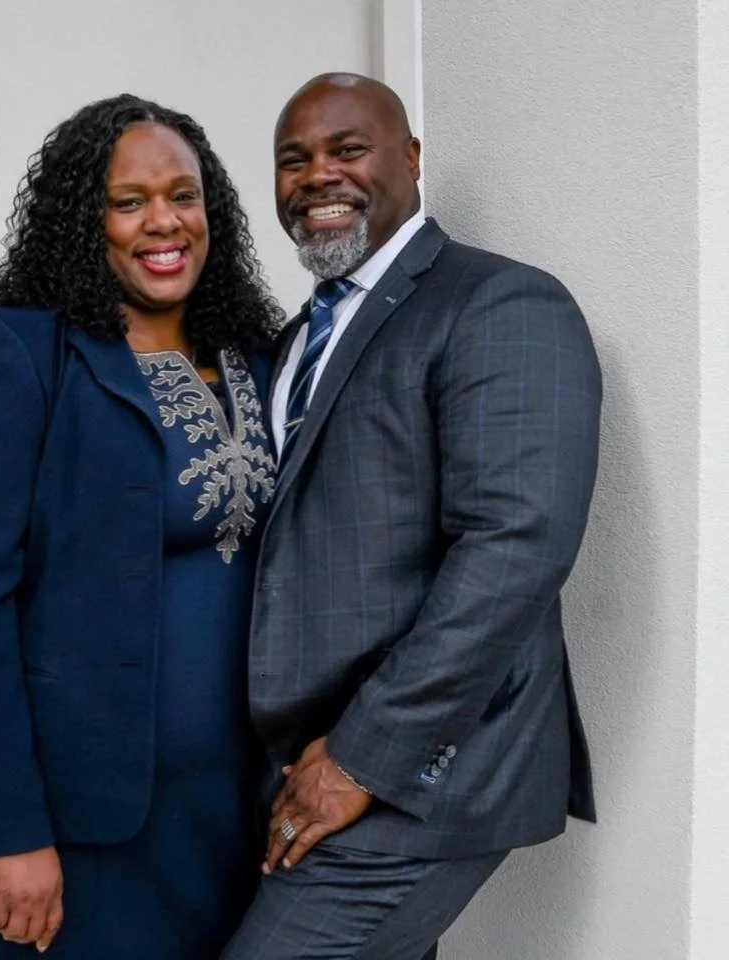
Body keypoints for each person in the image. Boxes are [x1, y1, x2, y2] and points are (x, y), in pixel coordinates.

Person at [222, 73, 602, 960]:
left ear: (412, 160)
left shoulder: (500, 303)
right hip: (307, 760)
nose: (319, 175)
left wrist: (363, 756)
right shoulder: (295, 340)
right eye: (293, 159)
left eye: (347, 149)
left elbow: (515, 547)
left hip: (418, 770)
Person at [0, 94, 282, 959]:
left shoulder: (260, 358)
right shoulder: (17, 354)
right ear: (86, 219)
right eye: (129, 201)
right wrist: (8, 829)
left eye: (184, 195)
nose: (165, 221)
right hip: (75, 819)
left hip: (230, 812)